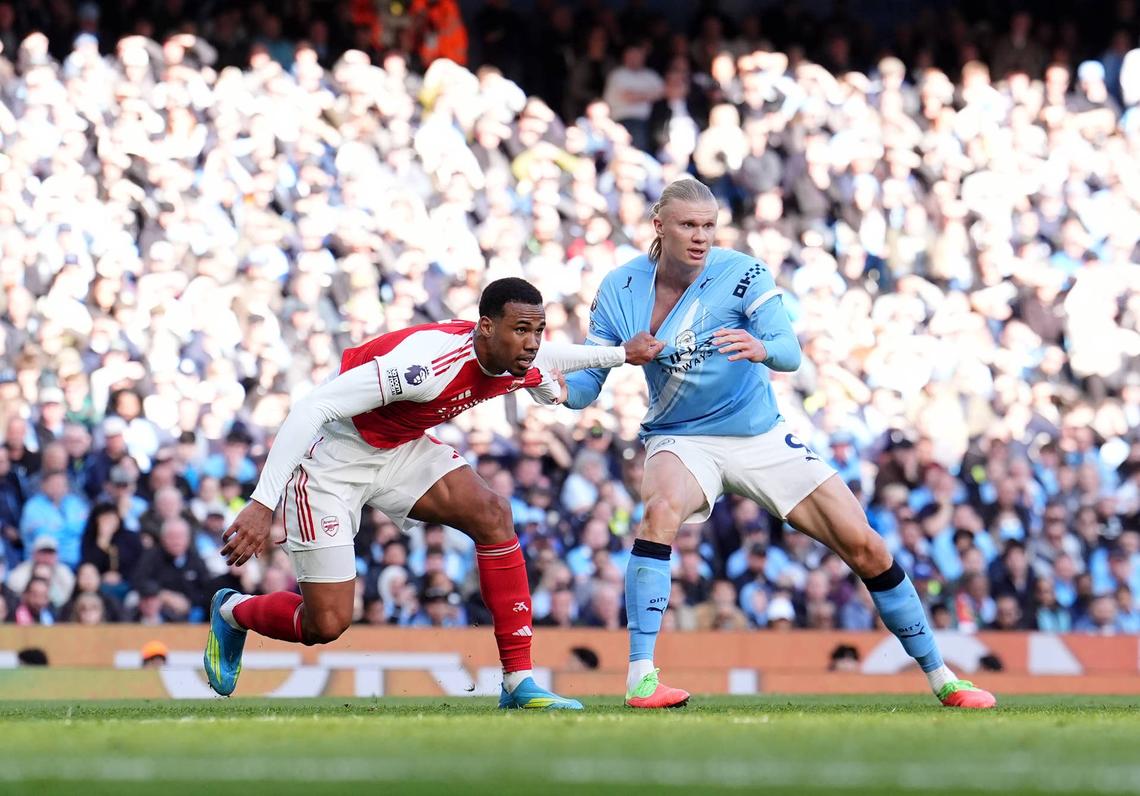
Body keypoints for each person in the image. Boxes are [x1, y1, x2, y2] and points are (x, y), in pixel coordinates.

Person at [564, 177, 995, 710]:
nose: (700, 237)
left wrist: (760, 345)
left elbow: (790, 353)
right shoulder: (619, 289)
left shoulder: (742, 273)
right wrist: (555, 388)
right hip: (681, 435)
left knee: (865, 545)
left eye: (708, 226)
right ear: (659, 227)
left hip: (760, 434)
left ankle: (942, 676)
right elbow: (585, 387)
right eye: (687, 226)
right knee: (660, 509)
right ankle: (640, 676)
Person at [207, 278, 662, 710]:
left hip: (401, 446)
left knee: (492, 513)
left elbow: (555, 359)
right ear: (486, 327)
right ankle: (233, 611)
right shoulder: (425, 366)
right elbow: (313, 406)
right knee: (326, 623)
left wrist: (621, 355)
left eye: (538, 331)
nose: (532, 342)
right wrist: (263, 502)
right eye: (521, 330)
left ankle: (518, 680)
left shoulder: (517, 357)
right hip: (332, 459)